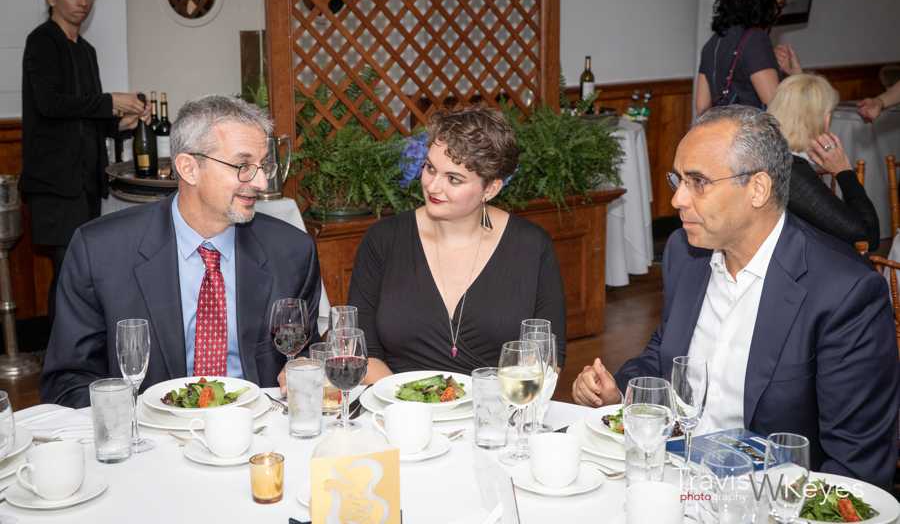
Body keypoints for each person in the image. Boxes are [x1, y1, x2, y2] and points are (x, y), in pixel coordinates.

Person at [572, 105, 900, 489]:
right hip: (671, 478)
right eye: (678, 180)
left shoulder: (845, 291)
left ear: (757, 189)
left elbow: (856, 465)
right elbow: (665, 352)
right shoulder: (685, 253)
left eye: (698, 182)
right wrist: (621, 392)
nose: (678, 200)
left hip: (770, 498)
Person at [39, 95, 322, 408]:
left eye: (263, 165)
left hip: (258, 426)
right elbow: (67, 382)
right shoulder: (100, 251)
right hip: (148, 429)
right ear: (189, 168)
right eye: (243, 166)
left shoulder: (292, 251)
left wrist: (306, 367)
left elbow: (304, 352)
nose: (261, 182)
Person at [346, 105, 566, 383]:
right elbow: (362, 352)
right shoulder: (383, 240)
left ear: (491, 189)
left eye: (453, 179)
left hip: (497, 405)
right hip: (397, 403)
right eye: (430, 168)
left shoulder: (532, 246)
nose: (433, 186)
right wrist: (407, 403)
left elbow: (547, 357)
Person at [19, 0, 150, 327]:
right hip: (54, 179)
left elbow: (88, 115)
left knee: (83, 271)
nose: (82, 1)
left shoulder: (86, 50)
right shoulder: (42, 41)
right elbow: (50, 103)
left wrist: (121, 124)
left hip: (86, 179)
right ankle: (60, 353)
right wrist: (110, 101)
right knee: (68, 270)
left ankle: (81, 348)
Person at [767, 73, 880, 250]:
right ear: (826, 120)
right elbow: (867, 238)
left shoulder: (769, 155)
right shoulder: (789, 171)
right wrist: (844, 172)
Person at [696, 0, 803, 114]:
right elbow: (777, 108)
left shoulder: (713, 42)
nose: (782, 1)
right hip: (752, 129)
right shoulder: (755, 40)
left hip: (723, 128)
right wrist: (797, 76)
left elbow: (701, 106)